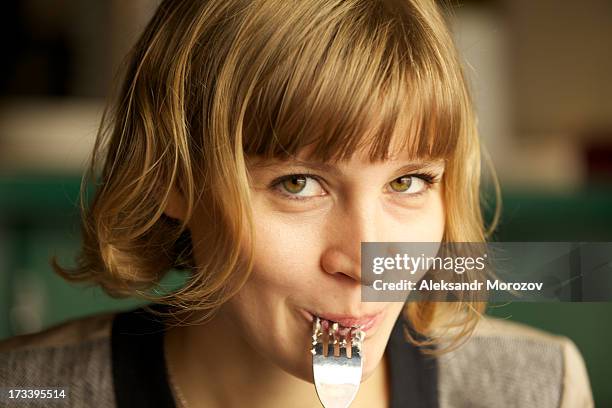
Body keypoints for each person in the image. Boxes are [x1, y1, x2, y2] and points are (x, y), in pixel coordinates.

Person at [0, 0, 594, 407]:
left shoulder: (535, 387)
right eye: (298, 184)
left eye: (408, 181)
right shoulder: (31, 390)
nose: (368, 263)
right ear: (175, 180)